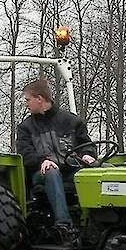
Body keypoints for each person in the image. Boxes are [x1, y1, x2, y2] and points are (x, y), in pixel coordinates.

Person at [16, 79, 95, 238]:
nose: (26, 104)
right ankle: (64, 226)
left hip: (71, 169)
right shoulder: (26, 127)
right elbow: (25, 153)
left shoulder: (71, 121)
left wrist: (88, 155)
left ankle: (96, 224)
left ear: (39, 99)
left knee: (100, 172)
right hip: (42, 172)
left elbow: (86, 143)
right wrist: (42, 160)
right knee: (52, 171)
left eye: (28, 100)